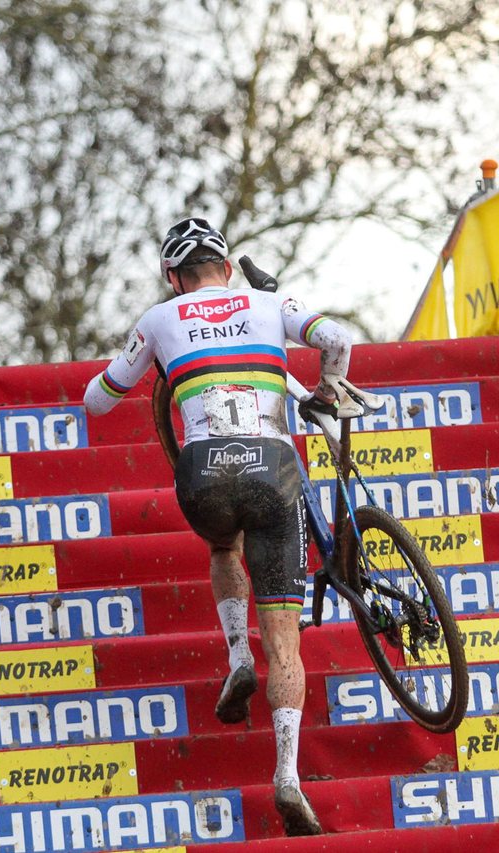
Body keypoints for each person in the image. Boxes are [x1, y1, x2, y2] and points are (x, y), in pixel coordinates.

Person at [83, 217, 352, 837]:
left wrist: (144, 368)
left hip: (202, 473)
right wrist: (327, 388)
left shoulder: (159, 318)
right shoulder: (269, 301)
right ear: (228, 268)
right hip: (272, 468)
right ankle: (287, 774)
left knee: (222, 542)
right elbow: (335, 337)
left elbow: (98, 400)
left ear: (173, 278)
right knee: (285, 643)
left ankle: (236, 656)